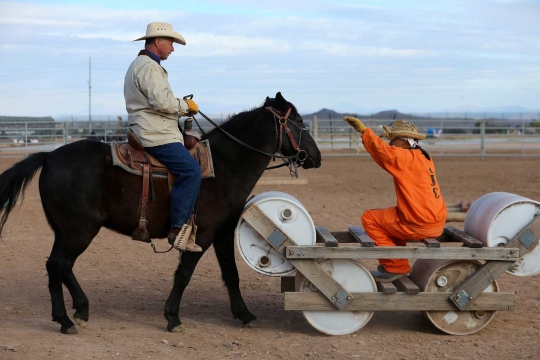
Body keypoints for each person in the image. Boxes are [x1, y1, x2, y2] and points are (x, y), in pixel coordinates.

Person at [124, 22, 202, 252]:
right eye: (170, 43)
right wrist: (185, 106)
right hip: (154, 133)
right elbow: (161, 102)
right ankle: (177, 228)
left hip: (151, 127)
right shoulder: (148, 66)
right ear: (158, 42)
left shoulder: (144, 65)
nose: (173, 49)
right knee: (191, 170)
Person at [344, 116, 447, 282]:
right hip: (436, 220)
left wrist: (364, 132)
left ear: (404, 142)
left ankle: (396, 266)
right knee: (393, 216)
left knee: (369, 218)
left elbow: (382, 150)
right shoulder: (424, 156)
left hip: (418, 223)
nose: (391, 144)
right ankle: (394, 258)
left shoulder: (404, 157)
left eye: (394, 140)